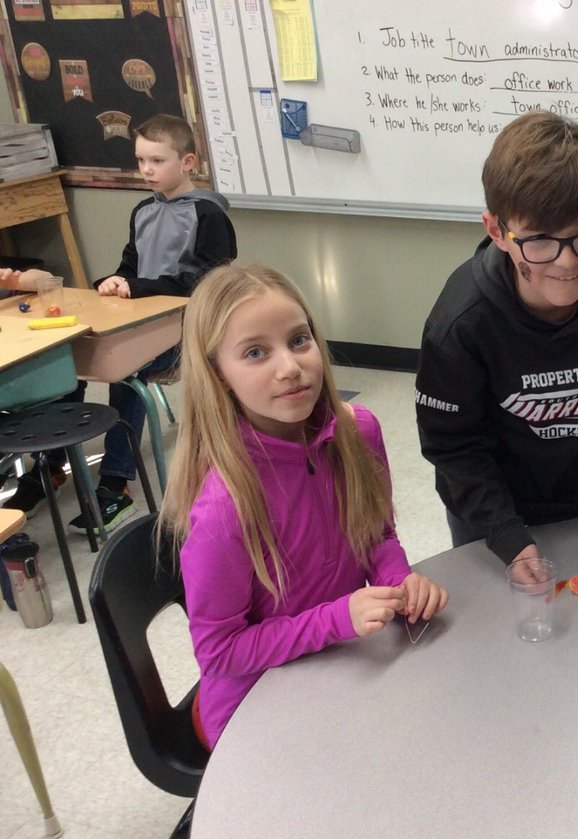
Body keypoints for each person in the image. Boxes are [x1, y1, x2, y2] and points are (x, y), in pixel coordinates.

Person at [159, 264, 448, 748]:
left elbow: (376, 535)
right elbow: (219, 652)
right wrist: (336, 619)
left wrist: (400, 581)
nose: (290, 367)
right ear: (218, 374)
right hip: (253, 705)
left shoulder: (358, 433)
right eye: (255, 352)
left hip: (341, 661)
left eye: (298, 340)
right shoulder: (224, 508)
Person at [415, 110, 578, 567]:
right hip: (487, 516)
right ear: (497, 231)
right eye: (539, 240)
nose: (566, 262)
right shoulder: (461, 324)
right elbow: (454, 446)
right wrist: (505, 534)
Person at [73, 112, 237, 534]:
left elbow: (209, 281)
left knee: (124, 369)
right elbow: (131, 266)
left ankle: (115, 483)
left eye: (157, 161)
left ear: (187, 162)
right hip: (144, 324)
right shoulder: (144, 210)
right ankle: (53, 464)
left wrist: (140, 287)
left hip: (190, 330)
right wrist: (115, 280)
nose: (146, 169)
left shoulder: (208, 214)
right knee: (72, 361)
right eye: (141, 160)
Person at [0, 266, 88, 514]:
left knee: (65, 374)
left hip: (17, 382)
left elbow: (45, 279)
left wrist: (14, 280)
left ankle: (48, 467)